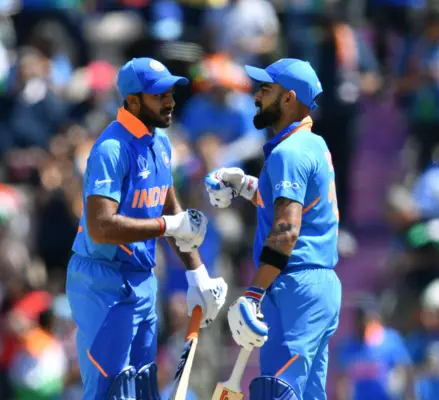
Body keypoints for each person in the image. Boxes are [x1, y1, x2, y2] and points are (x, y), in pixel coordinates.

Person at [66, 57, 228, 399]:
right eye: (159, 95)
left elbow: (173, 211)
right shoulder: (111, 149)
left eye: (170, 93)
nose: (169, 101)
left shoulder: (161, 144)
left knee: (142, 389)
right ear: (133, 100)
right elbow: (101, 226)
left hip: (142, 279)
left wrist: (197, 274)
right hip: (102, 281)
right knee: (112, 391)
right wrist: (167, 225)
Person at [205, 58, 342, 399]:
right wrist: (246, 185)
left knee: (276, 392)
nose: (256, 95)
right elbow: (294, 206)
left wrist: (254, 294)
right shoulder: (313, 144)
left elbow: (286, 228)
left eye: (266, 89)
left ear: (288, 98)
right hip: (317, 286)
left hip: (294, 284)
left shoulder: (289, 153)